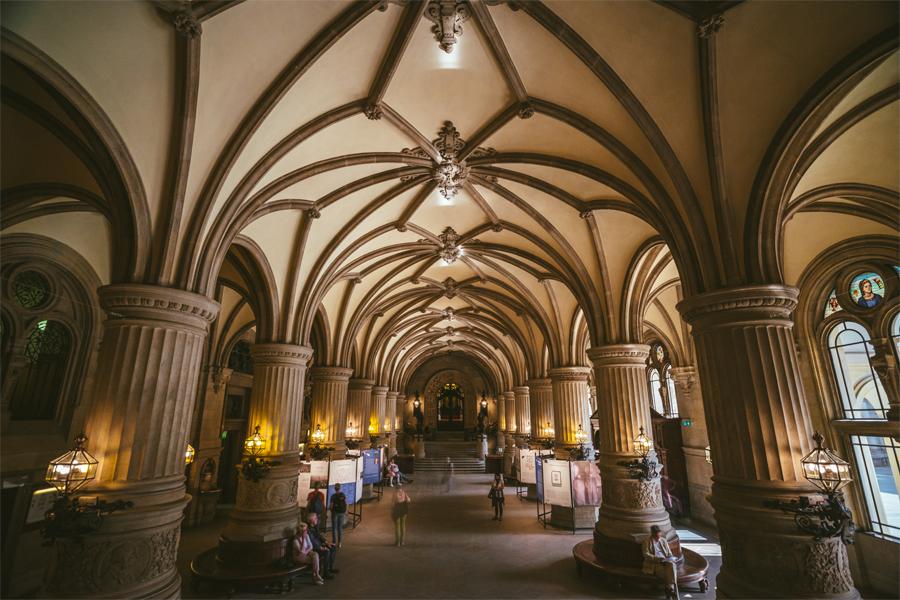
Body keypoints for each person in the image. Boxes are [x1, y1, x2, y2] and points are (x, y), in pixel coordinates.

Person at [642, 525, 677, 599]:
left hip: (666, 562)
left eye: (659, 536)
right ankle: (672, 589)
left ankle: (669, 589)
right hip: (655, 565)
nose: (658, 538)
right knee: (671, 569)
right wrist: (659, 559)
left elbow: (669, 553)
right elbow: (646, 555)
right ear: (652, 534)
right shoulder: (646, 542)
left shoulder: (663, 540)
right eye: (657, 537)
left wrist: (670, 557)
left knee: (671, 564)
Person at [307, 513, 339, 579]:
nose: (317, 519)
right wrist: (321, 548)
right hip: (313, 549)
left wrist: (326, 542)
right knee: (326, 552)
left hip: (319, 545)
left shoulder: (315, 526)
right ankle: (325, 573)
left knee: (332, 547)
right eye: (315, 518)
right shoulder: (308, 530)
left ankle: (330, 568)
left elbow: (319, 536)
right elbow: (312, 542)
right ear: (311, 521)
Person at [329, 482, 348, 548]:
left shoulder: (333, 496)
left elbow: (331, 506)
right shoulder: (343, 495)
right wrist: (345, 512)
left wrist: (331, 510)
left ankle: (334, 542)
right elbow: (346, 503)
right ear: (340, 488)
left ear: (335, 488)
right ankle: (339, 543)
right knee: (340, 528)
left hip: (335, 513)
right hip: (342, 513)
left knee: (334, 528)